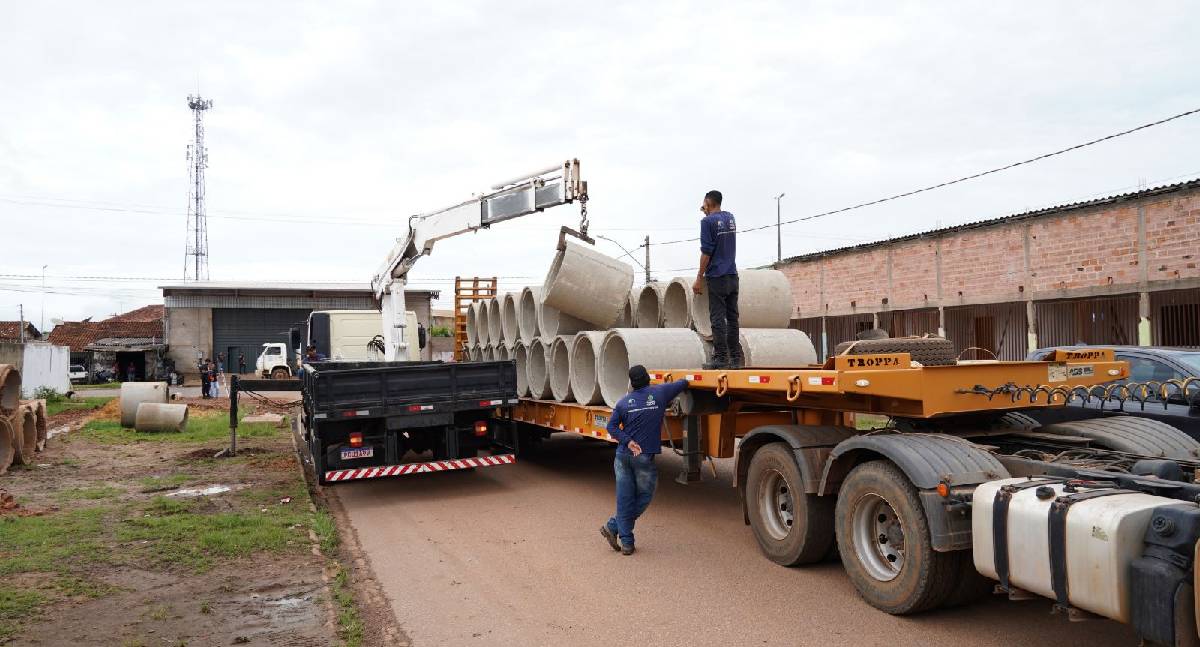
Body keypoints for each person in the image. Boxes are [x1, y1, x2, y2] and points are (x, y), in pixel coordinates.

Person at [599, 365, 690, 555]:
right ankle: (614, 527)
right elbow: (683, 383)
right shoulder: (660, 393)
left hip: (623, 455)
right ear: (648, 379)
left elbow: (612, 427)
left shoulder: (623, 403)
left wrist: (628, 441)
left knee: (625, 500)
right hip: (643, 458)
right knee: (644, 497)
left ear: (631, 383)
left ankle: (625, 541)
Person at [693, 189, 742, 369]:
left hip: (717, 276)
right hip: (732, 275)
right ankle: (735, 359)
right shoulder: (730, 218)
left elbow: (706, 252)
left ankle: (721, 358)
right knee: (733, 318)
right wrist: (707, 209)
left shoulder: (707, 222)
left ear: (707, 201)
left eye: (704, 204)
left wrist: (699, 278)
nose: (703, 208)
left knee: (718, 319)